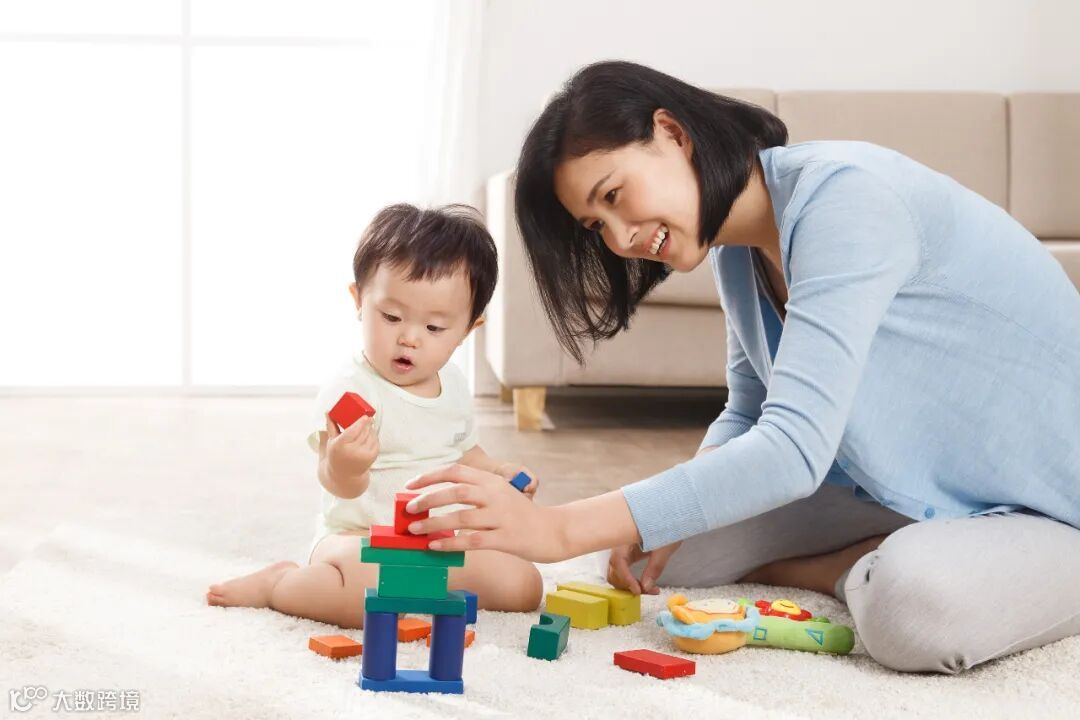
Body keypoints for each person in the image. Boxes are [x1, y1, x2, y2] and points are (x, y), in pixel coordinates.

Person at [401, 61, 1080, 674]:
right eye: (596, 226)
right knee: (677, 552)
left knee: (912, 609)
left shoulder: (847, 199)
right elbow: (749, 410)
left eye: (614, 195)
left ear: (672, 134)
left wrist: (560, 527)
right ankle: (895, 548)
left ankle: (847, 568)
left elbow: (793, 450)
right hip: (925, 482)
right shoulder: (737, 249)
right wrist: (665, 520)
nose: (622, 238)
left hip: (1055, 506)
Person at [206, 203, 543, 626]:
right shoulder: (353, 390)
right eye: (392, 317)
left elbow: (464, 453)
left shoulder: (454, 384)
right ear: (359, 302)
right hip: (360, 541)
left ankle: (418, 588)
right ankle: (279, 583)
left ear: (467, 330)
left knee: (522, 585)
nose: (409, 338)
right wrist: (345, 465)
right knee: (363, 599)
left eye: (434, 328)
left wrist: (499, 471)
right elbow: (337, 483)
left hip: (437, 542)